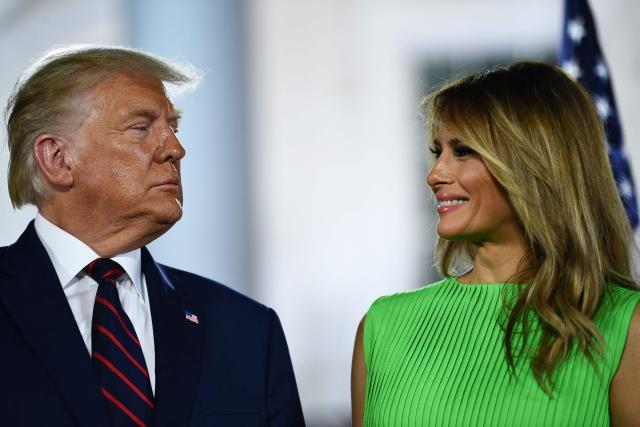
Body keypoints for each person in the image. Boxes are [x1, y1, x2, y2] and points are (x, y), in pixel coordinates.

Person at [0, 45, 305, 427]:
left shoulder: (247, 330)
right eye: (141, 128)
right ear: (58, 159)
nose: (176, 149)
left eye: (173, 128)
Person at [351, 62, 640, 426]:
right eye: (436, 151)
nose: (435, 174)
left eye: (463, 151)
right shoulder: (383, 327)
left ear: (536, 165)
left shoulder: (625, 326)